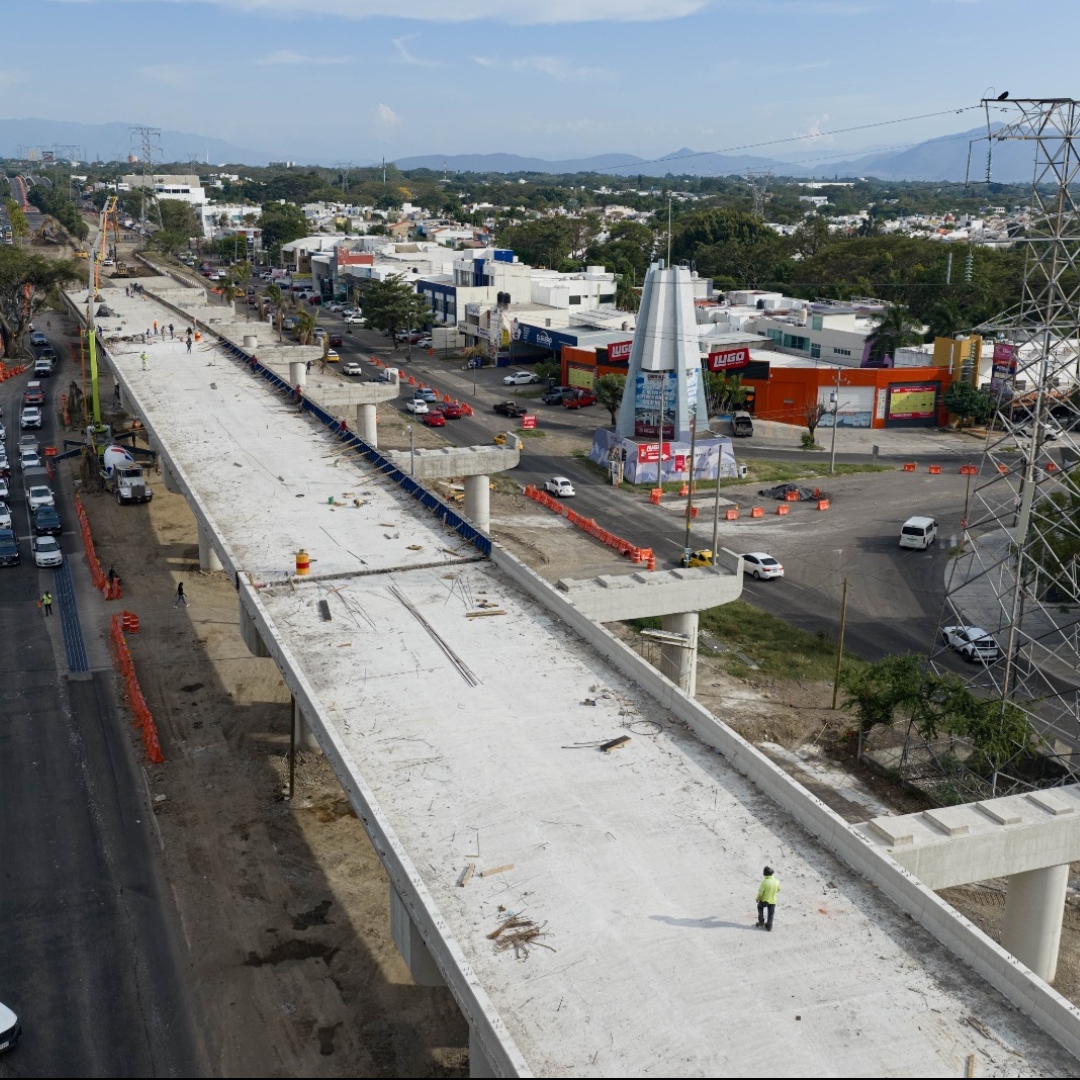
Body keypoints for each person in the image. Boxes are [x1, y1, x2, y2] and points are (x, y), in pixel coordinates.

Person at [756, 866, 780, 931]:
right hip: (773, 900)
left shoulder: (764, 882)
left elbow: (760, 892)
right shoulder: (777, 881)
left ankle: (761, 922)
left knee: (760, 907)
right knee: (771, 913)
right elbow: (778, 889)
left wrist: (757, 898)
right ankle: (769, 926)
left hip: (765, 900)